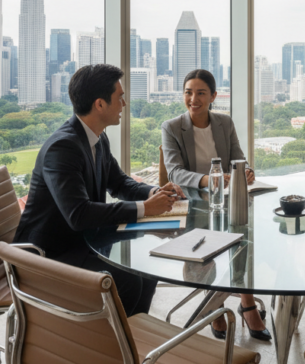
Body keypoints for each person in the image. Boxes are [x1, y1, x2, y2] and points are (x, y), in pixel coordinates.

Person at [14, 64, 185, 316]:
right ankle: (108, 347)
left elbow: (118, 183)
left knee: (146, 268)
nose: (124, 105)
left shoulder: (97, 137)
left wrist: (154, 193)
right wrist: (144, 208)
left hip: (84, 239)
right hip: (51, 254)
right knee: (127, 280)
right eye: (120, 98)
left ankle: (131, 341)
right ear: (100, 104)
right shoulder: (62, 148)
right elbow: (79, 215)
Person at [161, 69, 271, 342]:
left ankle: (247, 304)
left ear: (213, 96)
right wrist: (207, 179)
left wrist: (245, 172)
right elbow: (175, 172)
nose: (193, 98)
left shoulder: (224, 122)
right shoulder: (172, 127)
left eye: (200, 93)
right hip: (193, 205)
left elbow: (238, 159)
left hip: (227, 200)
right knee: (203, 252)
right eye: (188, 92)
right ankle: (216, 307)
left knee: (243, 240)